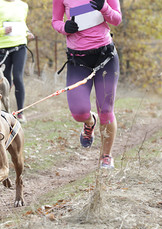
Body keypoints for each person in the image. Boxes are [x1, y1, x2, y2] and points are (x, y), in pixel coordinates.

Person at [52, 0, 122, 168]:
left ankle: (106, 156)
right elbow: (56, 21)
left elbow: (117, 19)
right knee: (78, 112)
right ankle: (90, 122)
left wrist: (103, 7)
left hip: (105, 56)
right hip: (78, 60)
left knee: (106, 109)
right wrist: (64, 28)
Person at [0, 0, 35, 123]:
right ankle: (3, 113)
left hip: (20, 46)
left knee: (18, 77)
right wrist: (2, 31)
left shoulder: (23, 5)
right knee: (4, 81)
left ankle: (20, 113)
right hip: (2, 49)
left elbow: (22, 24)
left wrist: (28, 33)